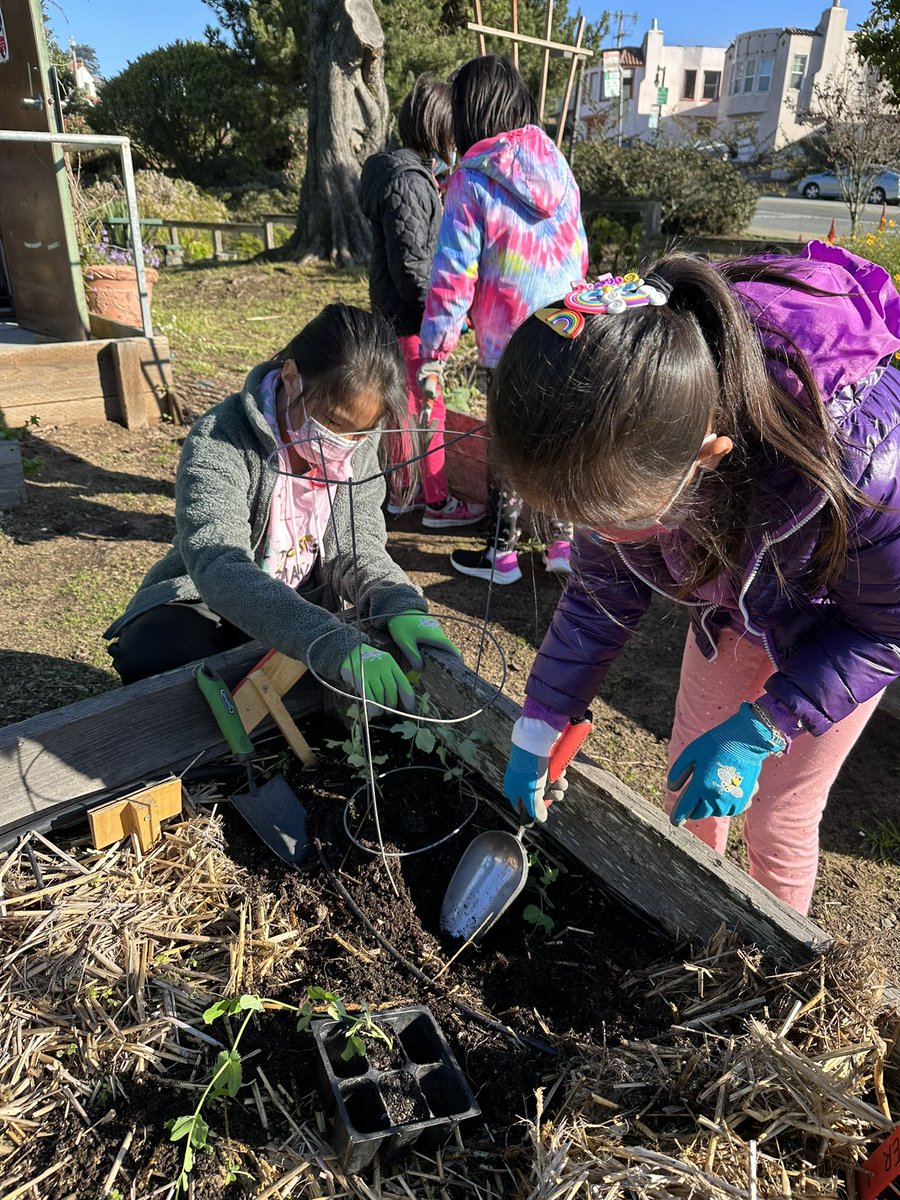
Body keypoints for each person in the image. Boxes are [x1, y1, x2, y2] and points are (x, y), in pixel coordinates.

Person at [491, 244, 900, 915]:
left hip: (841, 629)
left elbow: (887, 629)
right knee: (687, 777)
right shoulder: (626, 442)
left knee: (779, 815)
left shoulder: (862, 465)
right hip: (737, 605)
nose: (598, 537)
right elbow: (600, 594)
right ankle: (691, 923)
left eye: (615, 519)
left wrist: (766, 725)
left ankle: (771, 964)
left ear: (708, 456)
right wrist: (541, 722)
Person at [104, 304, 461, 711]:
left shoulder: (358, 443)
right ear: (291, 378)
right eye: (333, 421)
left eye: (360, 433)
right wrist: (330, 641)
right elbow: (220, 566)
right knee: (158, 652)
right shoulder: (220, 439)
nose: (345, 443)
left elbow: (356, 545)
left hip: (305, 600)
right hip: (218, 600)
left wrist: (398, 601)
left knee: (348, 663)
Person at [417, 54, 589, 584]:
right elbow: (579, 253)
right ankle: (563, 545)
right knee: (558, 434)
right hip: (567, 329)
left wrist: (433, 355)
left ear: (472, 112)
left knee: (507, 441)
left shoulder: (471, 180)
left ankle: (503, 554)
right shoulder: (561, 170)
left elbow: (452, 276)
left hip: (508, 340)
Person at [360, 74, 484, 529]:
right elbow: (414, 265)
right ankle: (436, 502)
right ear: (438, 127)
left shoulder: (403, 174)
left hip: (397, 312)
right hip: (414, 318)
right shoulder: (408, 182)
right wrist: (443, 319)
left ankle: (401, 494)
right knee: (428, 408)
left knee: (406, 405)